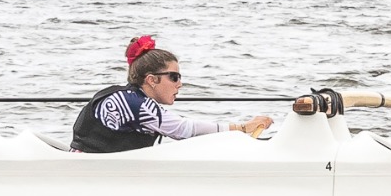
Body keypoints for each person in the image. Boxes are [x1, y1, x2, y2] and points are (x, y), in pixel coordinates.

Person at [71, 35, 273, 153]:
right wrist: (242, 128)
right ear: (151, 80)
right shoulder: (135, 104)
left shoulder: (130, 98)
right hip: (88, 173)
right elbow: (184, 130)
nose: (180, 84)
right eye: (174, 77)